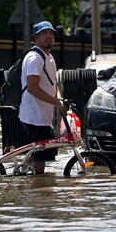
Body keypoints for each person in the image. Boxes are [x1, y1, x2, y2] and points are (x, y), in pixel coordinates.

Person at [19, 20, 68, 174]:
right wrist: (56, 103)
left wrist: (59, 100)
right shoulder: (35, 58)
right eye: (44, 33)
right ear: (35, 38)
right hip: (34, 116)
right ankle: (38, 194)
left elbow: (53, 85)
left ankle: (20, 175)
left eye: (51, 33)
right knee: (40, 161)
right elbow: (33, 88)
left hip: (43, 117)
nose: (48, 36)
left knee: (38, 153)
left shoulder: (49, 58)